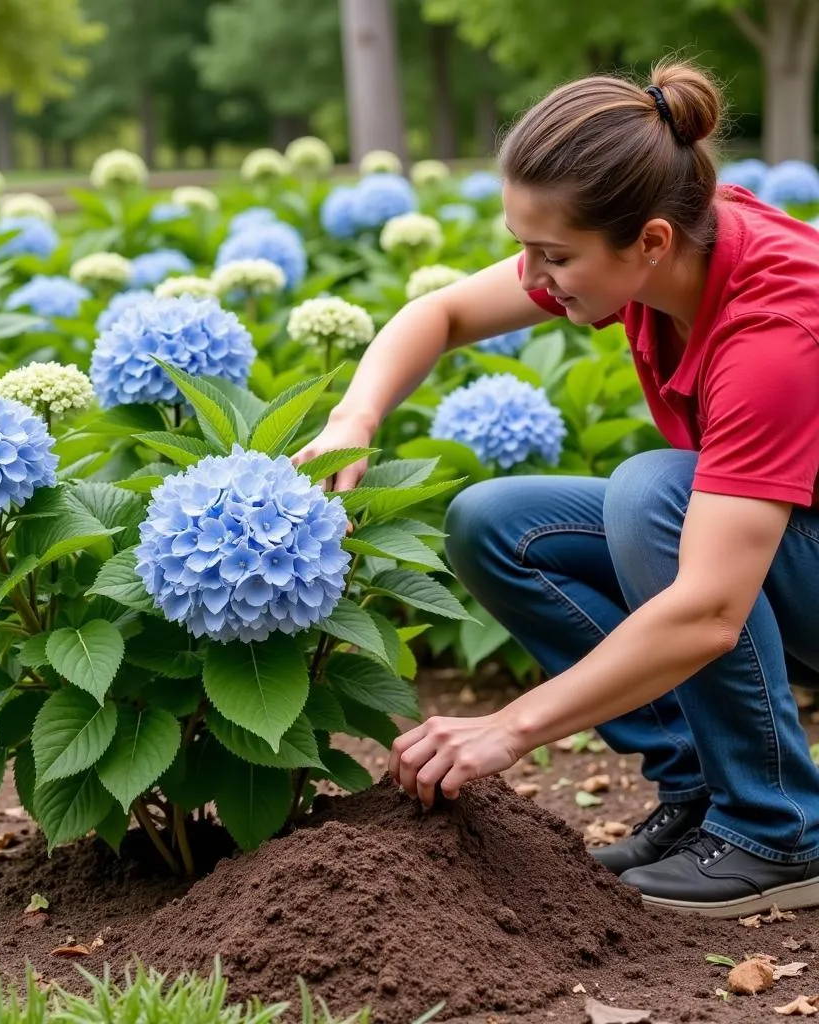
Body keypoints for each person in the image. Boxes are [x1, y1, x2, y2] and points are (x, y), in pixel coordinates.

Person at [292, 61, 819, 919]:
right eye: (525, 245)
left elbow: (710, 612)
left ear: (648, 242)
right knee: (495, 523)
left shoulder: (775, 330)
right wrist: (355, 416)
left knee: (654, 495)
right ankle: (699, 795)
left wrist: (509, 727)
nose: (534, 279)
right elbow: (443, 314)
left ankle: (779, 830)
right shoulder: (674, 246)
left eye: (556, 255)